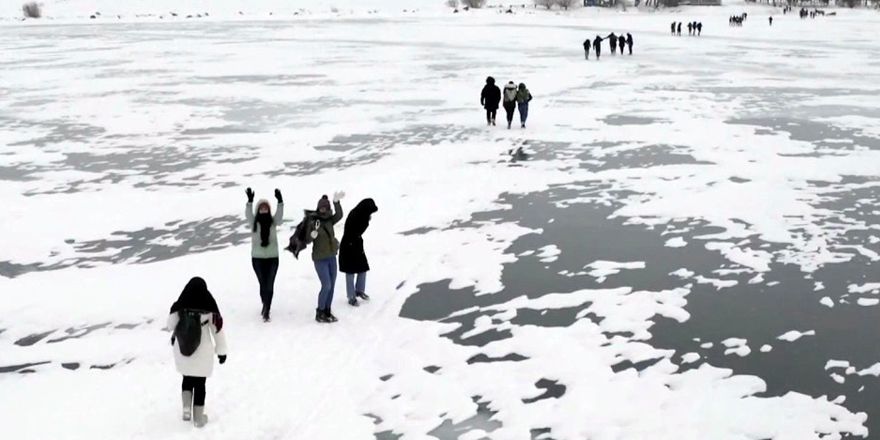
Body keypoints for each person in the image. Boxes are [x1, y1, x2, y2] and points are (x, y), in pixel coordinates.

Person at [167, 277, 228, 428]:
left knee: (187, 378)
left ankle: (186, 408)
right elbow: (218, 331)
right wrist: (221, 351)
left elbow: (170, 325)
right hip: (203, 348)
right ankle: (199, 418)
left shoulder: (180, 306)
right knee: (200, 384)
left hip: (183, 347)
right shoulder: (209, 307)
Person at [245, 188, 283, 322]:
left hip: (272, 257)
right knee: (263, 284)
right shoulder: (253, 223)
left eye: (266, 207)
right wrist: (250, 201)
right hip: (258, 258)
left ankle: (267, 308)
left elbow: (279, 215)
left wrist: (280, 201)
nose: (263, 210)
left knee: (270, 284)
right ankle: (265, 304)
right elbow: (248, 214)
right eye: (261, 208)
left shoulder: (273, 222)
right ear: (258, 210)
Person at [310, 193, 345, 323]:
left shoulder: (330, 219)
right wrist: (311, 235)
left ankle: (327, 311)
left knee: (332, 285)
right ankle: (320, 312)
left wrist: (336, 202)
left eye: (325, 207)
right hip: (320, 258)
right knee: (326, 285)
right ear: (318, 208)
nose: (323, 209)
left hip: (331, 256)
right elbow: (305, 237)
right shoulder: (314, 221)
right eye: (321, 207)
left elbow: (340, 215)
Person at [339, 199, 379, 307]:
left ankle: (360, 290)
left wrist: (366, 220)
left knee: (363, 269)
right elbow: (356, 230)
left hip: (357, 244)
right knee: (350, 272)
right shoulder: (355, 215)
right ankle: (351, 296)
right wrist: (366, 221)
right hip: (348, 246)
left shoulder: (361, 215)